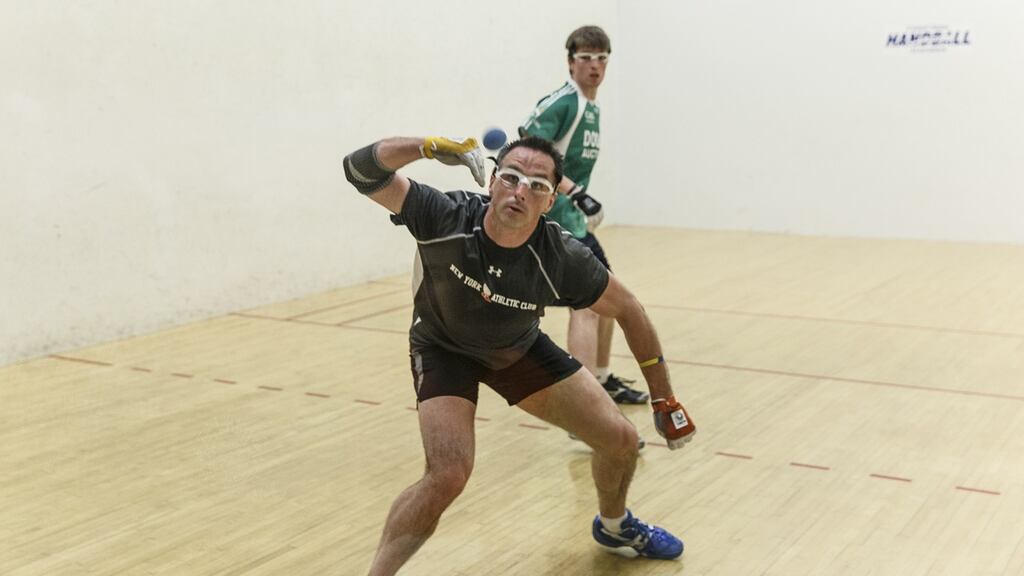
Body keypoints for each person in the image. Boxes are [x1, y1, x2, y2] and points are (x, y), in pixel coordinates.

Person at [343, 133, 696, 575]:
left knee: (621, 441)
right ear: (491, 182)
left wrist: (664, 398)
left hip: (516, 351)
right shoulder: (444, 216)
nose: (520, 190)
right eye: (511, 177)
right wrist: (427, 147)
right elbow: (360, 169)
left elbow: (629, 311)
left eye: (538, 185)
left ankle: (615, 526)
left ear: (549, 203)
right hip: (442, 348)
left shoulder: (563, 256)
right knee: (448, 474)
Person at [519, 25, 648, 405]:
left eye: (601, 58)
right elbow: (528, 154)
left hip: (570, 222)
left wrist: (579, 204)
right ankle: (586, 403)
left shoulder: (590, 107)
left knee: (606, 296)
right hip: (548, 223)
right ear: (570, 62)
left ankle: (602, 381)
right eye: (585, 58)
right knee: (590, 304)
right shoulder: (563, 104)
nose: (594, 66)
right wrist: (574, 193)